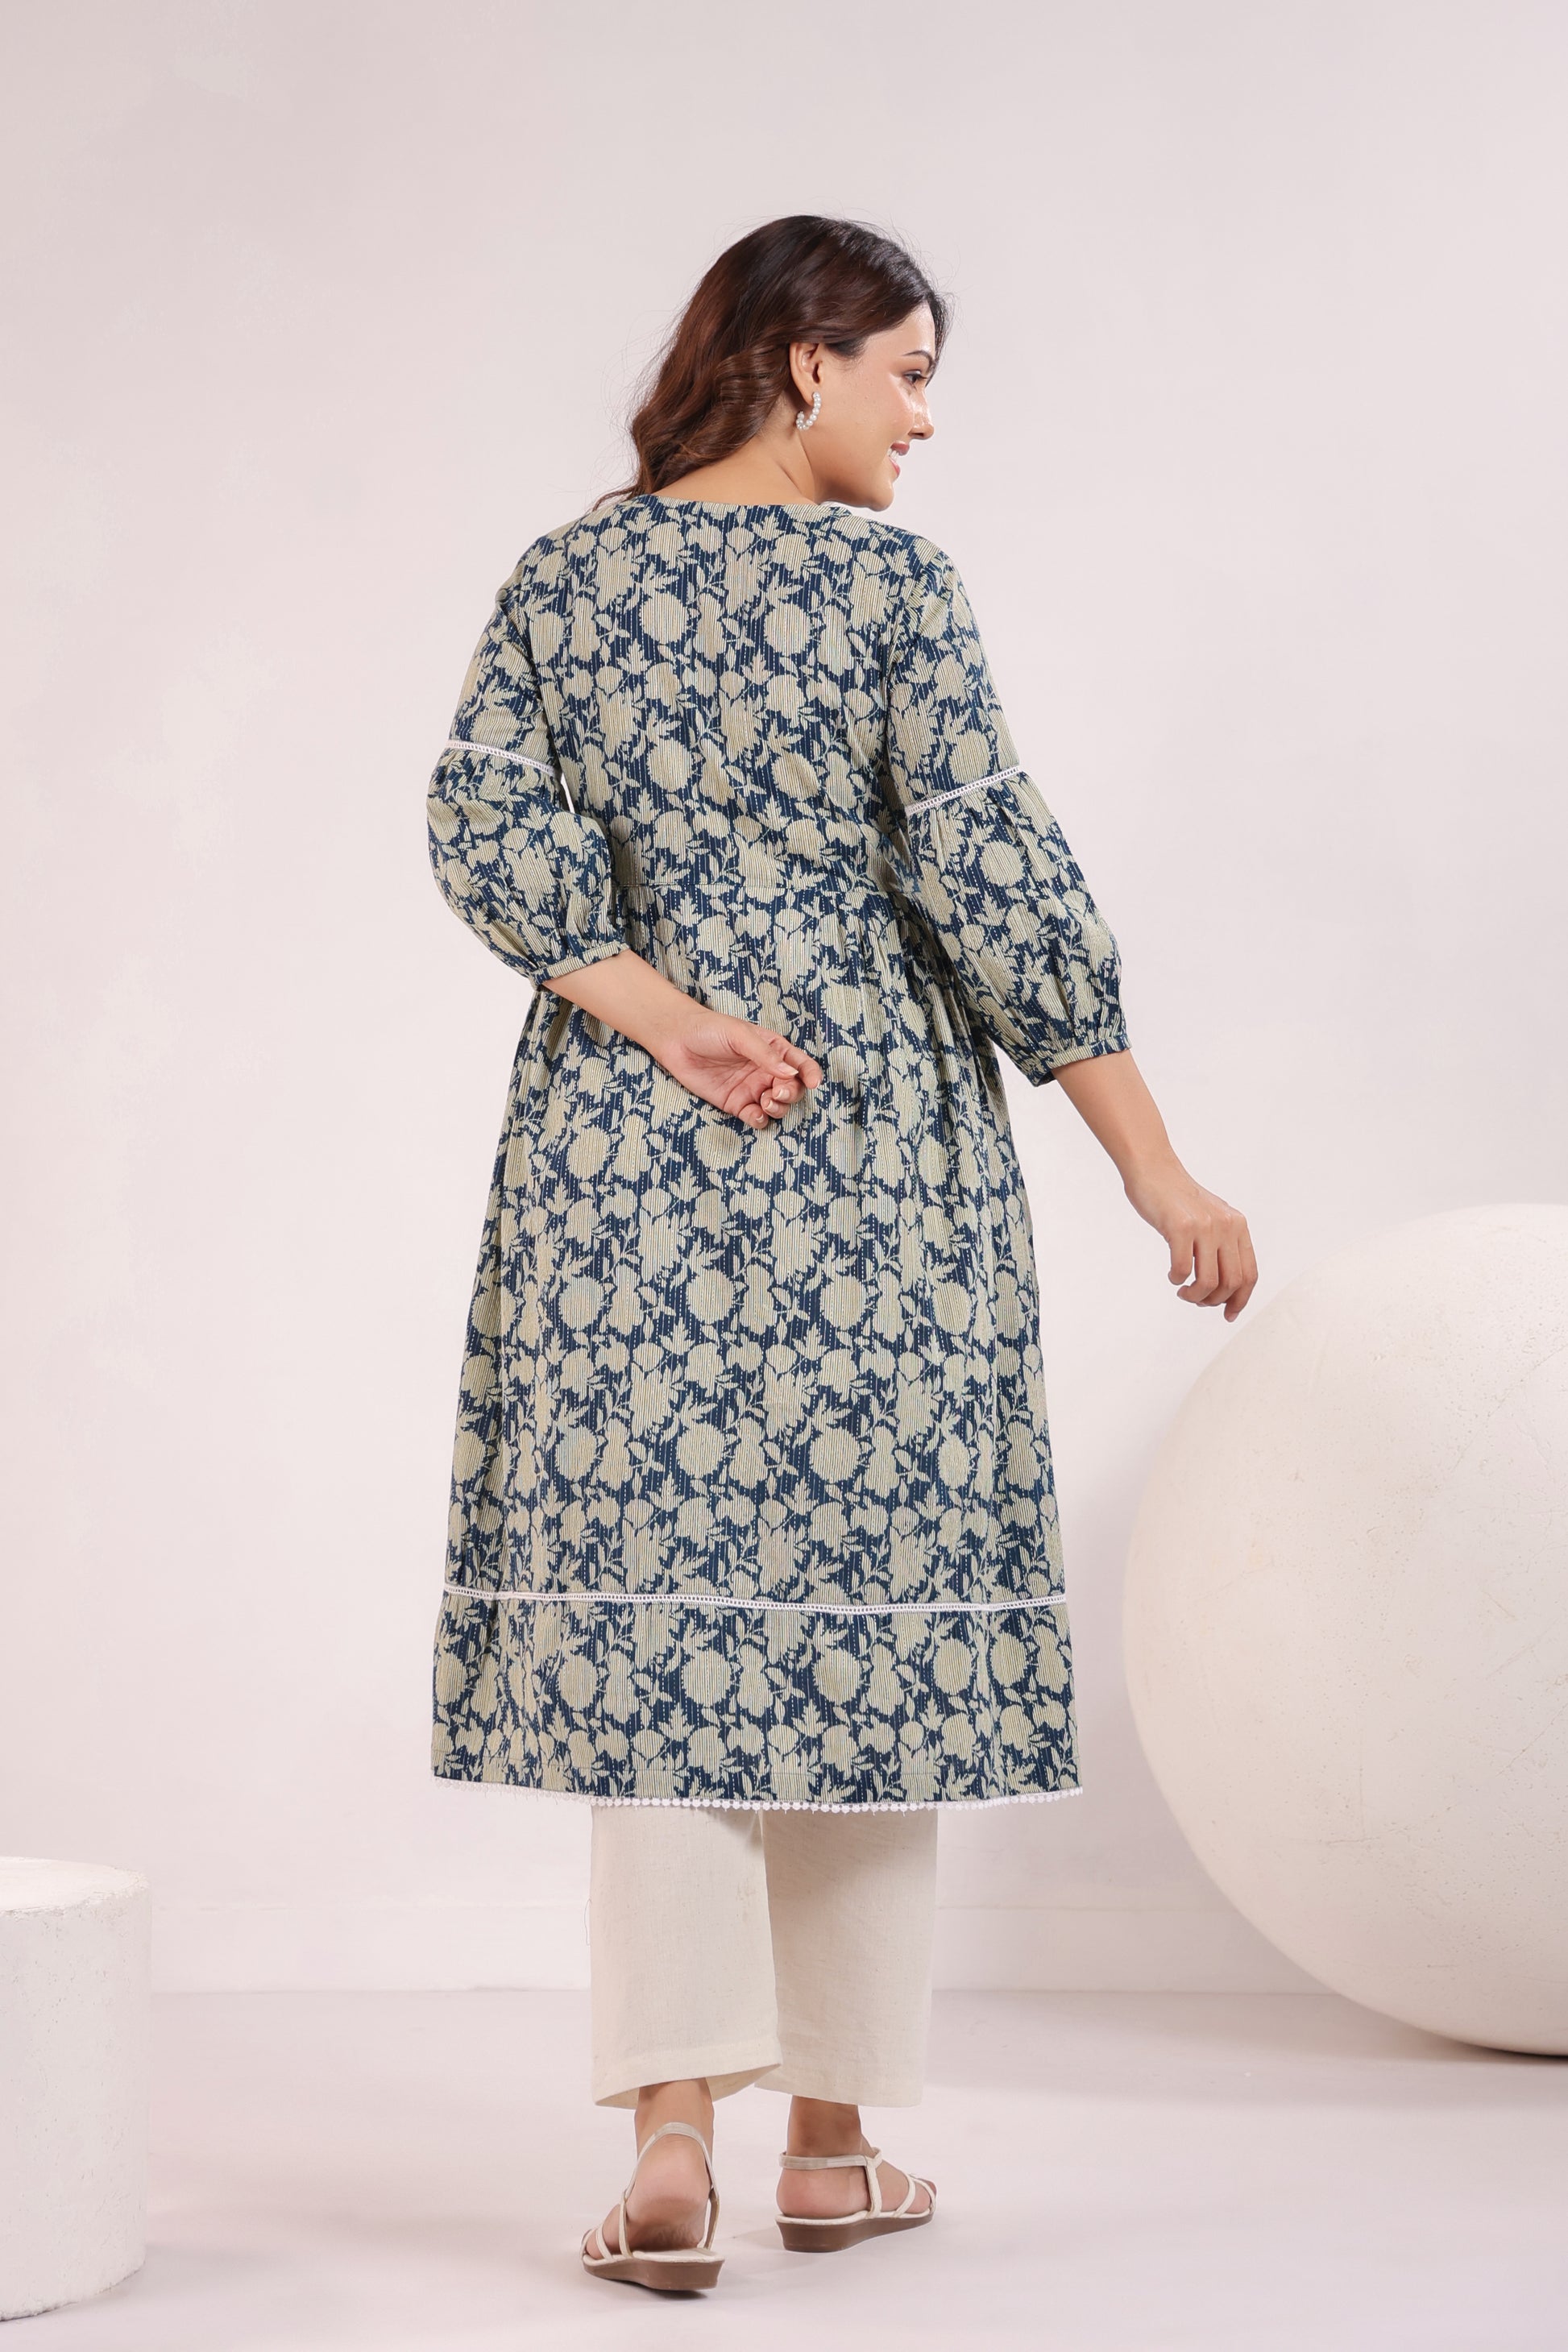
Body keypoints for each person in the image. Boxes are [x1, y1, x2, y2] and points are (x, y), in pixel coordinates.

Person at [425, 214, 1256, 2293]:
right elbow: (994, 874)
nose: (924, 417)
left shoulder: (567, 579)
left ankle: (668, 2151)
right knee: (867, 1631)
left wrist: (662, 1017)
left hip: (628, 1162)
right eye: (907, 372)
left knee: (667, 1645)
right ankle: (830, 2146)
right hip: (873, 1161)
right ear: (807, 362)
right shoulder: (890, 589)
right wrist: (1157, 1169)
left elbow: (482, 827)